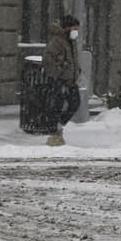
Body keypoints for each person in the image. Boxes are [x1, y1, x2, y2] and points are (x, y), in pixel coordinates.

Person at [42, 14, 82, 147]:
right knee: (56, 107)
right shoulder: (57, 41)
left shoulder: (71, 41)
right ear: (67, 28)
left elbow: (71, 59)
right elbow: (49, 61)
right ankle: (54, 135)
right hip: (60, 80)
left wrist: (76, 70)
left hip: (70, 80)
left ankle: (58, 127)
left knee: (75, 103)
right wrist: (61, 68)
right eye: (74, 28)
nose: (76, 32)